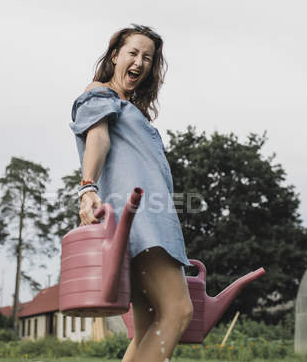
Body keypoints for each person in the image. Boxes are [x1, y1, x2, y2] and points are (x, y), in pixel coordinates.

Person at [69, 25, 193, 362]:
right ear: (115, 57)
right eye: (133, 53)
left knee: (148, 328)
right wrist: (87, 187)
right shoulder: (101, 94)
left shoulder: (131, 109)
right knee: (179, 311)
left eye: (148, 58)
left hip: (149, 220)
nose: (140, 62)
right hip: (141, 222)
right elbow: (98, 138)